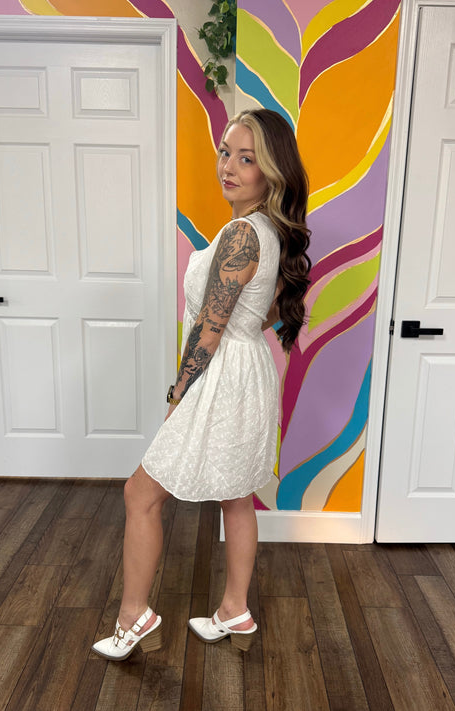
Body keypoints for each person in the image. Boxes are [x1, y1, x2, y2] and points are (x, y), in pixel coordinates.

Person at [91, 108, 311, 661]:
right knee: (237, 497)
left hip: (222, 377)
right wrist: (236, 340)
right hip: (249, 370)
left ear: (271, 172)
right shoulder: (269, 232)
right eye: (225, 152)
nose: (228, 167)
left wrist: (177, 395)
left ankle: (134, 616)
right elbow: (257, 315)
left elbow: (209, 331)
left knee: (140, 494)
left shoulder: (242, 235)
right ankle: (235, 609)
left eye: (246, 158)